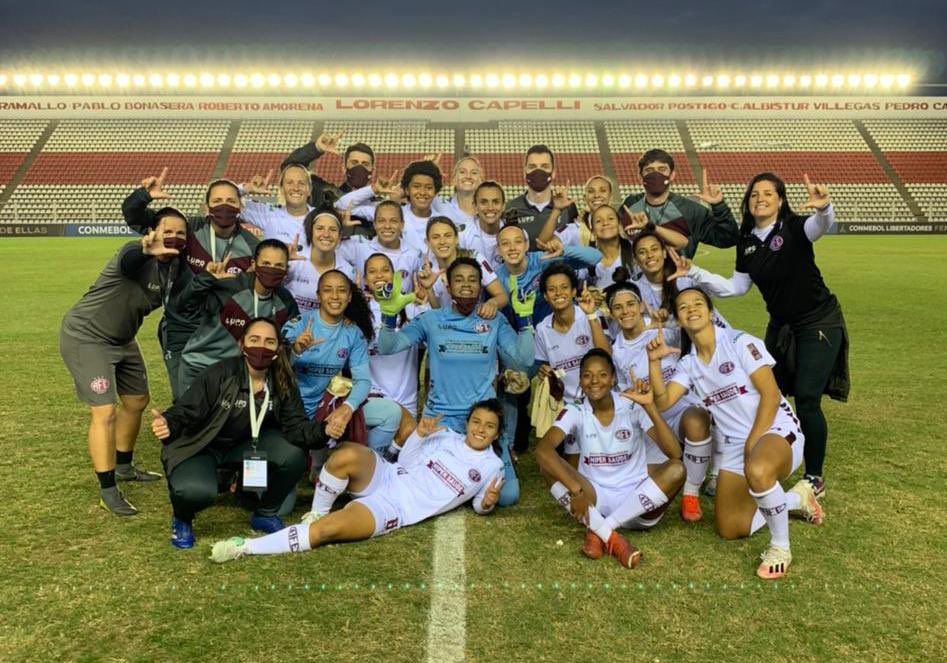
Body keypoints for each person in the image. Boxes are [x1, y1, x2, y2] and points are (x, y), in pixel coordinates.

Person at [680, 173, 848, 497]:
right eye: (755, 194)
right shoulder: (746, 242)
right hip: (780, 325)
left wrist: (824, 207)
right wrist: (694, 272)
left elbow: (820, 226)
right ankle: (760, 459)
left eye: (768, 193)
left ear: (780, 200)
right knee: (767, 392)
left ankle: (814, 478)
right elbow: (736, 287)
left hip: (818, 322)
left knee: (807, 398)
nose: (760, 199)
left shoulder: (796, 227)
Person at [648, 287, 824, 579]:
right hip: (734, 443)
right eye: (683, 307)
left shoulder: (739, 342)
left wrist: (752, 442)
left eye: (698, 303)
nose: (691, 309)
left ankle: (780, 548)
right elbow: (664, 401)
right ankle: (796, 499)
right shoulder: (689, 364)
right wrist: (653, 363)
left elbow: (770, 395)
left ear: (711, 312)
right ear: (678, 319)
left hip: (774, 429)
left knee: (758, 469)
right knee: (730, 528)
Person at [209, 400, 506, 563]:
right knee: (345, 454)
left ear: (496, 433)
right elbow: (405, 463)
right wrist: (419, 435)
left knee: (328, 531)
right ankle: (316, 512)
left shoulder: (493, 465)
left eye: (489, 426)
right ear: (468, 422)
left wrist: (487, 503)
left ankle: (245, 547)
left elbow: (479, 504)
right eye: (476, 422)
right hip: (390, 475)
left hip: (396, 507)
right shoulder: (446, 435)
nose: (481, 429)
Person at [151, 318, 329, 549]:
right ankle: (182, 518)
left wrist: (325, 429)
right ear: (241, 344)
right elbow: (187, 409)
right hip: (203, 446)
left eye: (269, 342)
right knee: (195, 491)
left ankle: (264, 513)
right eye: (254, 340)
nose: (261, 347)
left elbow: (297, 428)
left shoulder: (282, 380)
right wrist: (168, 422)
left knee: (294, 454)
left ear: (278, 349)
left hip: (246, 446)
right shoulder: (220, 373)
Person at [375, 257, 535, 506]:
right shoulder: (432, 320)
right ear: (448, 287)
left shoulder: (494, 320)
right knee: (418, 485)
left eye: (473, 280)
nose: (466, 285)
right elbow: (388, 347)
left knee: (507, 496)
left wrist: (524, 321)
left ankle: (470, 476)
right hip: (440, 421)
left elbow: (524, 362)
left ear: (481, 286)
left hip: (482, 422)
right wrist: (388, 316)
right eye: (459, 280)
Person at [60, 211, 188, 515]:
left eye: (181, 233)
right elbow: (131, 260)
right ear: (153, 231)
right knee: (104, 412)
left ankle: (124, 467)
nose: (174, 237)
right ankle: (108, 491)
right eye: (167, 230)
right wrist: (145, 250)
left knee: (136, 401)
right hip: (87, 336)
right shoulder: (134, 252)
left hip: (123, 339)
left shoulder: (176, 267)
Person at [535, 349, 686, 569]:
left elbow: (675, 453)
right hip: (594, 500)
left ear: (613, 378)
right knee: (548, 468)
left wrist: (650, 407)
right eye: (587, 375)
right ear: (580, 380)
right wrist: (576, 491)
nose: (595, 381)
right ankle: (615, 540)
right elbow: (542, 451)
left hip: (638, 502)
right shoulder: (575, 409)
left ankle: (601, 529)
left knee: (677, 469)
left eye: (602, 374)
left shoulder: (631, 404)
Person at [122, 169, 260, 399]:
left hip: (221, 333)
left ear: (240, 206)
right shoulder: (189, 229)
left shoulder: (251, 245)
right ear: (207, 206)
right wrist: (143, 196)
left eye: (231, 201)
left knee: (219, 398)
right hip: (181, 328)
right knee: (186, 400)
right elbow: (135, 217)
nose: (224, 206)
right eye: (217, 200)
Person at [604, 279, 714, 521]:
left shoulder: (663, 330)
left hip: (682, 408)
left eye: (630, 304)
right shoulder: (618, 351)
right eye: (618, 307)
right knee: (654, 477)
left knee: (696, 419)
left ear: (641, 305)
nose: (625, 311)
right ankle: (692, 464)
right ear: (611, 314)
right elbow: (625, 394)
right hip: (652, 419)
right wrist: (633, 393)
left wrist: (668, 323)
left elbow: (696, 328)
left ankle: (691, 493)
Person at [283, 270, 408, 459]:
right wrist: (295, 351)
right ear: (318, 295)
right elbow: (275, 370)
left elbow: (363, 380)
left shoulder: (353, 332)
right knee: (297, 461)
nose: (335, 296)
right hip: (294, 411)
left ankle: (371, 464)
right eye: (327, 290)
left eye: (341, 290)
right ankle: (318, 458)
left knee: (391, 413)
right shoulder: (298, 325)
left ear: (349, 297)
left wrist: (347, 408)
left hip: (327, 407)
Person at [177, 239, 299, 393]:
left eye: (279, 266)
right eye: (266, 263)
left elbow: (290, 338)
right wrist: (206, 278)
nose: (272, 269)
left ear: (286, 269)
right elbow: (184, 307)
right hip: (202, 367)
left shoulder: (285, 301)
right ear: (254, 264)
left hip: (241, 376)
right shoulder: (229, 288)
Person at [621, 149, 739, 258]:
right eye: (649, 170)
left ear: (672, 175)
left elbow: (728, 239)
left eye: (662, 169)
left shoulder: (691, 210)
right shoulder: (629, 204)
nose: (656, 175)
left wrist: (719, 206)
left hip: (678, 273)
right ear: (640, 177)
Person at [362, 253, 429, 415]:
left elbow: (435, 338)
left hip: (407, 402)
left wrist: (427, 300)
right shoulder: (361, 313)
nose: (379, 275)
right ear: (365, 280)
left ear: (394, 275)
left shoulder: (412, 307)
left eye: (385, 270)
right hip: (373, 398)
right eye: (372, 271)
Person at [534, 263, 610, 402]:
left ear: (574, 291)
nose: (558, 293)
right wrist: (543, 371)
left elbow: (607, 356)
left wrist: (590, 315)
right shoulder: (542, 329)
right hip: (568, 404)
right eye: (552, 289)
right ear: (545, 296)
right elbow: (545, 367)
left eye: (564, 287)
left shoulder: (593, 316)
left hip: (601, 397)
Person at [335, 160, 442, 252]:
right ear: (406, 190)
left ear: (435, 191)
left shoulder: (443, 220)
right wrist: (374, 190)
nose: (422, 192)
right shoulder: (390, 213)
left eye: (429, 187)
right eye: (416, 186)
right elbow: (342, 205)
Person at [419, 216, 507, 317]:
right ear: (428, 243)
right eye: (436, 237)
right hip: (446, 324)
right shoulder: (427, 270)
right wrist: (429, 289)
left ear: (456, 239)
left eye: (448, 236)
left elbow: (502, 297)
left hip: (477, 321)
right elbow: (438, 315)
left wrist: (492, 303)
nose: (442, 241)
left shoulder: (475, 258)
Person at [280, 128, 377, 213]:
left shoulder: (378, 206)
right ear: (344, 168)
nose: (359, 168)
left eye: (365, 164)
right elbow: (289, 169)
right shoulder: (324, 193)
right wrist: (316, 148)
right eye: (354, 163)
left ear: (372, 172)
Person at [336, 200, 422, 294]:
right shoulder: (359, 247)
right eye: (381, 221)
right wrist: (342, 230)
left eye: (394, 221)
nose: (387, 226)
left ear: (402, 225)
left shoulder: (415, 255)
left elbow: (420, 292)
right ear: (374, 224)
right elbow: (329, 251)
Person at [504, 144, 578, 247]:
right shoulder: (511, 208)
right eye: (532, 167)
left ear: (553, 172)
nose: (538, 171)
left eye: (545, 166)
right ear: (524, 172)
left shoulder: (568, 207)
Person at [282, 210, 355, 312]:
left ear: (339, 236)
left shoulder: (348, 272)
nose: (326, 234)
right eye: (320, 228)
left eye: (333, 229)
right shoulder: (293, 263)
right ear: (310, 233)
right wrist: (281, 264)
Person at [239, 164, 315, 254]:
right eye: (290, 183)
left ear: (309, 190)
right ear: (281, 189)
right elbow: (227, 202)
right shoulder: (269, 214)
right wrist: (246, 188)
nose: (296, 188)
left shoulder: (321, 217)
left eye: (301, 183)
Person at [459, 180, 506, 271]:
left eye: (496, 202)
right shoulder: (462, 235)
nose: (490, 208)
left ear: (503, 206)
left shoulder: (517, 233)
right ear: (475, 206)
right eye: (484, 202)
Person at [432, 155, 483, 226]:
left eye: (474, 173)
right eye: (462, 172)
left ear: (480, 179)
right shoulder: (440, 206)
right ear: (454, 178)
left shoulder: (489, 210)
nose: (468, 176)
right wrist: (431, 168)